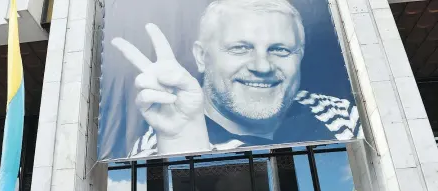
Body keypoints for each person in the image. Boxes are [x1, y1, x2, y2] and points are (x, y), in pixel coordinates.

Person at [112, 0, 360, 158]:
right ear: (202, 57)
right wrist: (181, 141)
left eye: (280, 50)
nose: (262, 66)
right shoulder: (163, 137)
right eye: (240, 48)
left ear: (300, 55)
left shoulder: (343, 115)